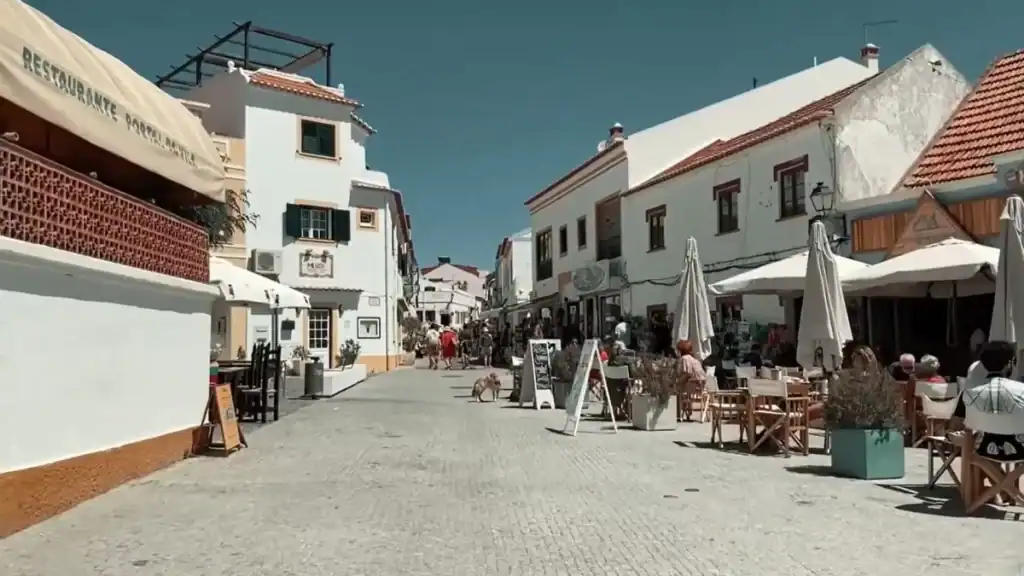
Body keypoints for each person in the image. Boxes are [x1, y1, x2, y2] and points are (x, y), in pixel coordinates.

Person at [954, 340, 1024, 461]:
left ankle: (1002, 480)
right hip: (1020, 448)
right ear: (1009, 364)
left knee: (980, 455)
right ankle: (1007, 480)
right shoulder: (1021, 390)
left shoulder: (970, 393)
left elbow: (956, 423)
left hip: (983, 450)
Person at [676, 340, 707, 422]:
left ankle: (677, 414)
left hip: (693, 385)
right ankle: (687, 411)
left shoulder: (684, 358)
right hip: (701, 386)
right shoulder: (694, 359)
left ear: (680, 350)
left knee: (675, 389)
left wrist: (677, 383)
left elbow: (686, 373)